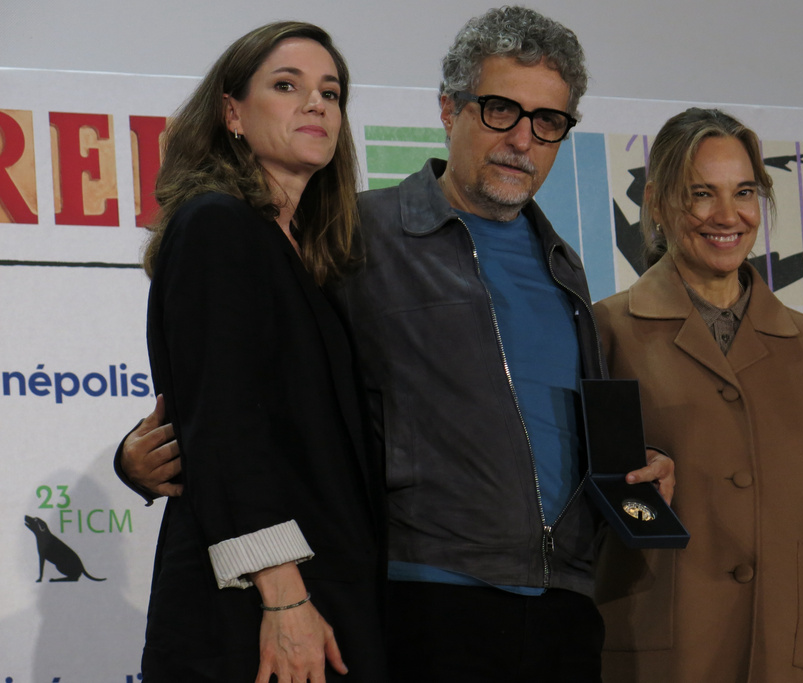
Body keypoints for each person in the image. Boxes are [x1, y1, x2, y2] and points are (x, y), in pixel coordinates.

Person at [118, 7, 673, 682]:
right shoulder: (353, 236)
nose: (522, 139)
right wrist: (143, 456)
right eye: (500, 110)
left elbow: (283, 389)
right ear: (449, 109)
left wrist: (625, 472)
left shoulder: (564, 265)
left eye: (547, 122)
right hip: (417, 601)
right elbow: (232, 402)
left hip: (561, 605)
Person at [131, 21, 385, 682]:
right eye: (286, 85)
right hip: (254, 609)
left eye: (331, 92)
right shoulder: (217, 224)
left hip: (323, 595)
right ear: (232, 113)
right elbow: (228, 423)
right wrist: (286, 594)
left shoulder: (307, 258)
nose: (316, 104)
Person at [594, 108, 803, 683]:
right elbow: (585, 501)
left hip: (790, 646)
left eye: (744, 192)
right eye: (701, 194)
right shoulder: (605, 330)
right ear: (660, 203)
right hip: (667, 642)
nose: (727, 215)